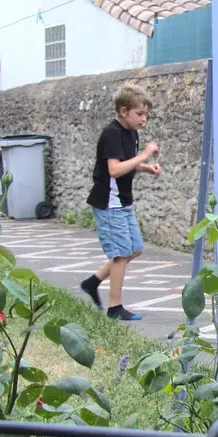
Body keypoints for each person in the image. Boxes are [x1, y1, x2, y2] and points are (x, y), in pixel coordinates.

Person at [80, 83, 160, 320]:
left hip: (123, 201)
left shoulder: (131, 132)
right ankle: (115, 308)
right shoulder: (112, 133)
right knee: (120, 254)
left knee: (134, 249)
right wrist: (144, 154)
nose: (144, 119)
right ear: (123, 111)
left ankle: (92, 282)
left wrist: (146, 167)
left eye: (146, 114)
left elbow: (128, 164)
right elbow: (114, 170)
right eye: (139, 114)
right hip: (109, 202)